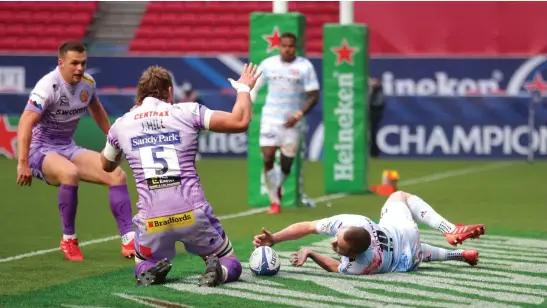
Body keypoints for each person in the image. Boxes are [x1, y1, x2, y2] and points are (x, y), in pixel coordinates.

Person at [99, 63, 261, 286]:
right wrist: (244, 88)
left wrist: (119, 150)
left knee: (142, 262)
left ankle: (150, 269)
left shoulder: (121, 125)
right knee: (229, 260)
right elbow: (240, 121)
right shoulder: (188, 111)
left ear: (139, 94)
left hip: (152, 221)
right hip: (192, 214)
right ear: (170, 92)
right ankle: (220, 270)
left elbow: (106, 165)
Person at [16, 41, 135, 261]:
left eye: (83, 63)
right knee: (69, 173)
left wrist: (113, 138)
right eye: (74, 64)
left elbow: (97, 109)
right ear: (61, 63)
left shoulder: (88, 83)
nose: (80, 68)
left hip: (67, 147)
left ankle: (129, 240)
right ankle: (68, 238)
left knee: (117, 175)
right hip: (40, 151)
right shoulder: (47, 86)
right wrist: (22, 162)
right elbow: (25, 121)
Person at [253, 191, 485, 275]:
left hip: (407, 261)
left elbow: (334, 267)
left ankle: (451, 233)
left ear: (353, 254)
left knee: (398, 197)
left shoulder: (360, 265)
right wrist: (275, 238)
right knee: (400, 197)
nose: (334, 243)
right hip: (405, 236)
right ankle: (455, 245)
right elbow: (308, 226)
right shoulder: (353, 223)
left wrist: (311, 252)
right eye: (337, 240)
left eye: (338, 247)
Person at [250, 32, 320, 215]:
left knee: (287, 164)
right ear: (279, 47)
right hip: (270, 119)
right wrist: (248, 104)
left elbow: (314, 95)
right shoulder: (268, 64)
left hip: (292, 123)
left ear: (295, 48)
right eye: (284, 46)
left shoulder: (304, 67)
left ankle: (278, 184)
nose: (287, 49)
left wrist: (298, 115)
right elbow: (254, 86)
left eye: (291, 46)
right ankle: (274, 201)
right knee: (267, 157)